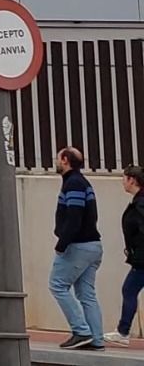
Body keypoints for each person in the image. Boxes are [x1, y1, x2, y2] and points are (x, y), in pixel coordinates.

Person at [51, 146, 105, 350]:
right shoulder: (82, 182)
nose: (56, 162)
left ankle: (81, 331)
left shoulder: (73, 184)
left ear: (65, 160)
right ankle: (96, 339)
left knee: (57, 285)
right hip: (93, 246)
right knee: (86, 294)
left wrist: (62, 244)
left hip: (78, 246)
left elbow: (75, 217)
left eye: (58, 158)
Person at [105, 165, 144, 347]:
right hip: (140, 258)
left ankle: (123, 332)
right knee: (129, 289)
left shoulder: (140, 204)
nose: (122, 182)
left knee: (129, 289)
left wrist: (138, 255)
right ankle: (122, 331)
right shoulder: (139, 202)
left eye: (124, 178)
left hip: (142, 260)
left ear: (132, 180)